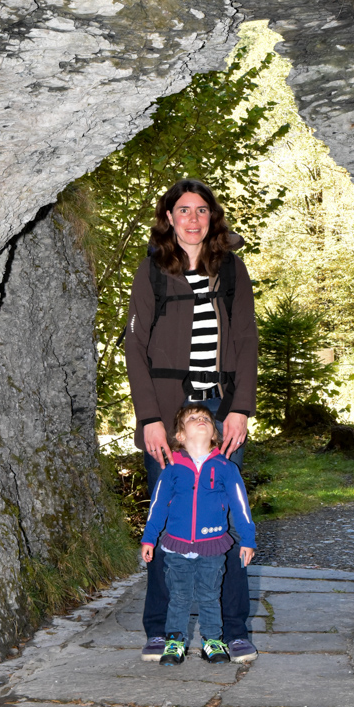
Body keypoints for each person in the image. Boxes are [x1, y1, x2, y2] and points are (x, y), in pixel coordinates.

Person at [124, 177, 259, 663]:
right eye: (184, 210)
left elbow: (246, 341)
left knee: (226, 516)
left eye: (202, 210)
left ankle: (234, 628)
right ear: (169, 218)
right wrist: (149, 419)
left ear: (212, 218)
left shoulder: (232, 270)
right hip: (168, 413)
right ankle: (161, 628)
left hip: (222, 409)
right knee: (169, 521)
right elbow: (134, 347)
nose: (193, 219)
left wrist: (241, 408)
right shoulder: (152, 270)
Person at [141, 403, 256, 666]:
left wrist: (248, 540)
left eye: (205, 417)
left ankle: (212, 641)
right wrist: (149, 538)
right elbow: (157, 506)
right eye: (192, 418)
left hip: (214, 546)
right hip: (177, 546)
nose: (200, 419)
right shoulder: (172, 470)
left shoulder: (226, 468)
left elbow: (241, 506)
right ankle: (175, 641)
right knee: (179, 596)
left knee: (209, 595)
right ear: (180, 436)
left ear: (215, 434)